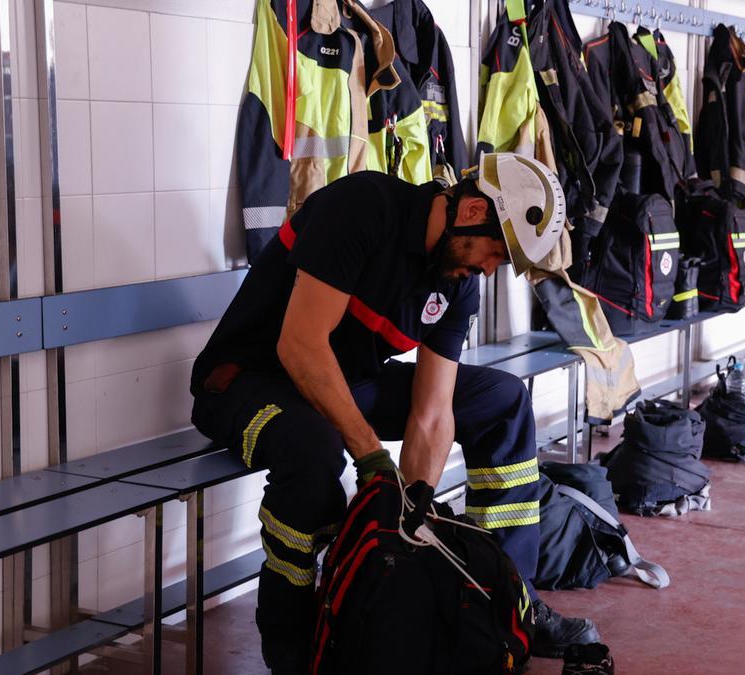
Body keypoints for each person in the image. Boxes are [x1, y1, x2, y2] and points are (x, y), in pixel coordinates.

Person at [189, 153, 600, 672]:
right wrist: (371, 458)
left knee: (501, 401)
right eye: (496, 252)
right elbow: (300, 345)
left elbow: (432, 411)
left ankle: (505, 598)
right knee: (316, 452)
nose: (490, 269)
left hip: (343, 383)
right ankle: (290, 640)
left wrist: (413, 517)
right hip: (246, 382)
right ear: (472, 209)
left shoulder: (457, 283)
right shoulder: (362, 208)